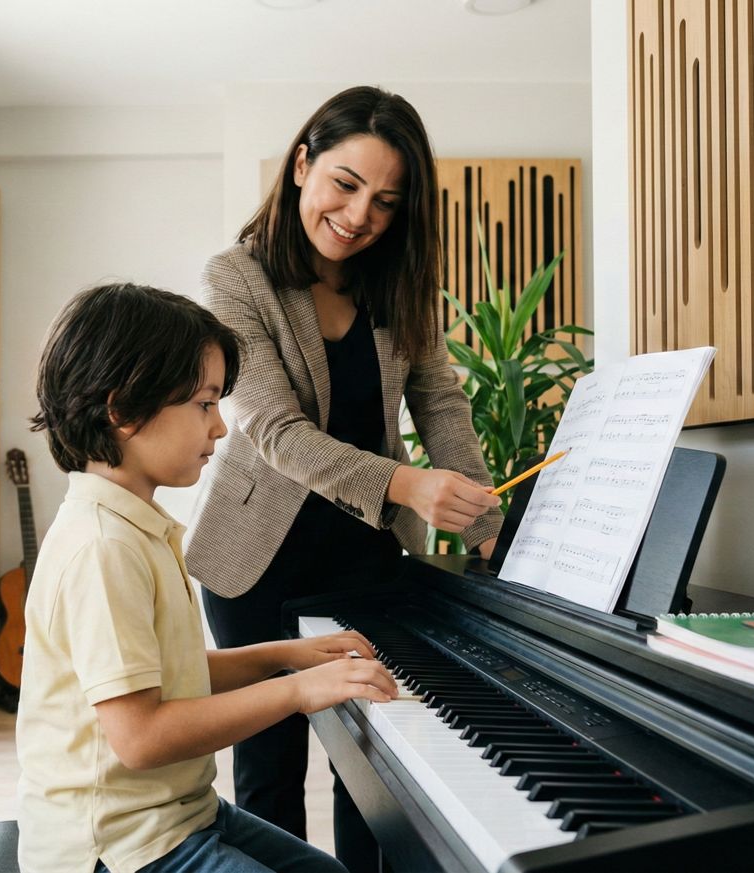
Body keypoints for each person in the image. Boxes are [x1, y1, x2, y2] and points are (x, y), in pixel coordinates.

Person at [186, 86, 504, 870]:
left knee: (371, 762)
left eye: (387, 201)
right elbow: (273, 429)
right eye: (345, 184)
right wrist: (409, 485)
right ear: (302, 164)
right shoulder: (235, 277)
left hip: (364, 554)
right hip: (253, 558)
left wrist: (488, 520)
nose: (360, 215)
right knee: (270, 768)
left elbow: (440, 403)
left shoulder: (399, 283)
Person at [17, 282, 401, 873]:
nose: (221, 428)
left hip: (180, 813)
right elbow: (142, 736)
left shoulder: (133, 525)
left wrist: (288, 655)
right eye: (204, 403)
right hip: (118, 848)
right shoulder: (103, 547)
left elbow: (175, 676)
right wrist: (297, 692)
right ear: (123, 411)